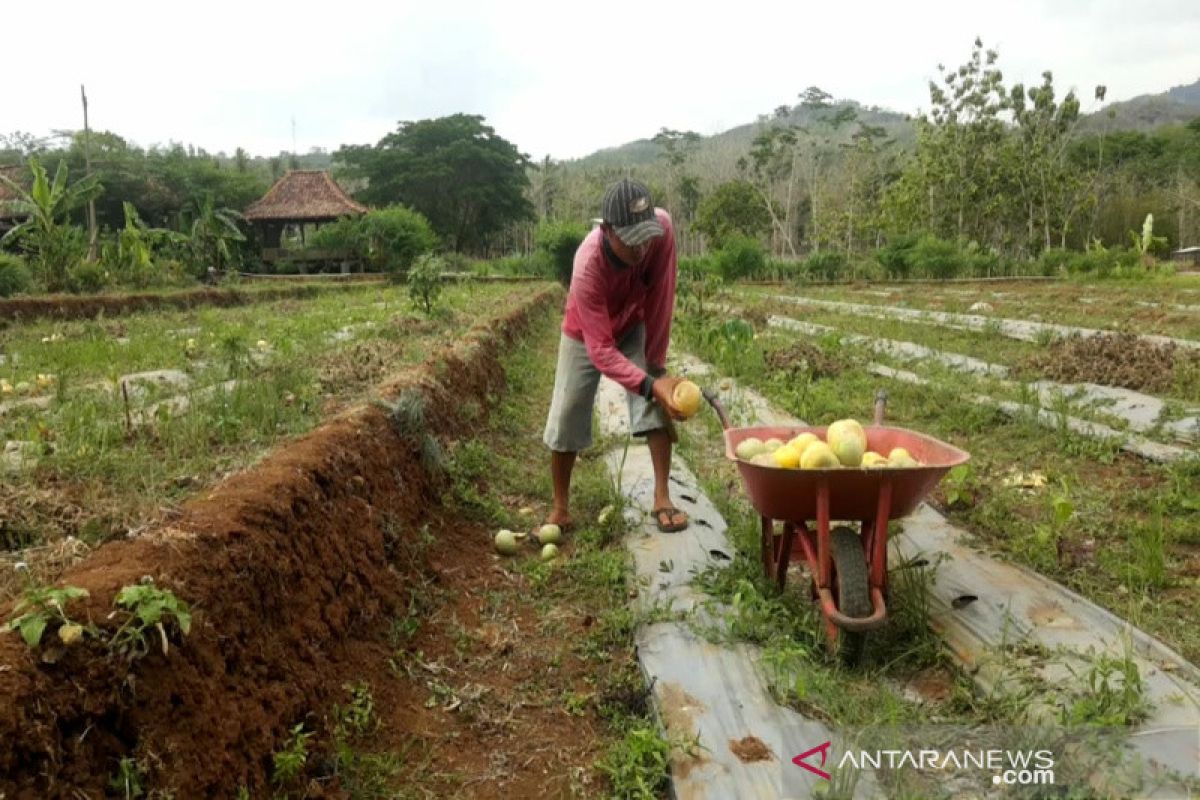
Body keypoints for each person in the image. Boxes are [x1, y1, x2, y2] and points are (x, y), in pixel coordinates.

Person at [542, 178, 689, 534]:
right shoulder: (588, 264)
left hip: (633, 320)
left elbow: (661, 297)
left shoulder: (663, 231)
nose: (642, 249)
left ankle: (662, 497)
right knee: (568, 407)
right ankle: (560, 507)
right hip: (586, 332)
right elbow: (601, 351)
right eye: (631, 239)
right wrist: (652, 385)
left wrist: (654, 366)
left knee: (654, 402)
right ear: (607, 230)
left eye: (646, 235)